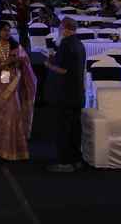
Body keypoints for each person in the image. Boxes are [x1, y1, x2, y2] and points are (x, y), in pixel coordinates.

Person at [0, 21, 36, 161]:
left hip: (14, 84)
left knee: (14, 115)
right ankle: (2, 149)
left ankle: (16, 150)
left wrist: (20, 61)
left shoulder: (16, 47)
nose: (7, 33)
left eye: (8, 30)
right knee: (3, 117)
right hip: (0, 86)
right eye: (4, 30)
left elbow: (25, 62)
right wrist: (6, 62)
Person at [45, 18, 86, 172]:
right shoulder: (80, 44)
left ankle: (64, 162)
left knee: (63, 129)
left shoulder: (66, 44)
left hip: (65, 94)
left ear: (65, 28)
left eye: (60, 28)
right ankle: (76, 160)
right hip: (77, 93)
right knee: (75, 128)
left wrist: (48, 65)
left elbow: (63, 70)